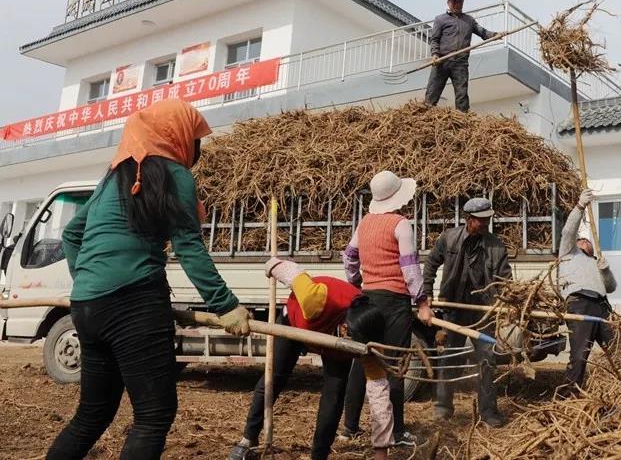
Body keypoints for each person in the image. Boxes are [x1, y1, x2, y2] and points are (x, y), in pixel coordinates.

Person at [47, 99, 251, 460]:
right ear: (177, 137)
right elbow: (189, 248)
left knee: (92, 415)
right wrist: (226, 305)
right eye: (194, 139)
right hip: (135, 303)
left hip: (86, 307)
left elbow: (71, 236)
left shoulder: (112, 176)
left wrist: (90, 282)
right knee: (154, 415)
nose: (195, 148)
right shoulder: (175, 175)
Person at [228, 258, 393, 460]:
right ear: (345, 328)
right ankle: (248, 439)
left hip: (334, 347)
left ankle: (319, 455)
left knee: (334, 395)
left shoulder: (367, 344)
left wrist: (381, 450)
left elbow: (380, 398)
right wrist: (271, 266)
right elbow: (292, 271)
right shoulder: (315, 300)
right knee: (274, 377)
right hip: (296, 324)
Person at [339, 170, 433, 447]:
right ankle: (398, 431)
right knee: (395, 365)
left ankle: (349, 428)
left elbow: (349, 256)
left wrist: (357, 280)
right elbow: (409, 267)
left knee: (361, 363)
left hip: (368, 299)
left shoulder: (364, 223)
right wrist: (423, 302)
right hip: (394, 303)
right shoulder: (401, 224)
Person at [422, 197, 511, 427]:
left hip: (483, 311)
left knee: (487, 360)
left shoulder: (497, 246)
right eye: (481, 220)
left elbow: (504, 279)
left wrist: (507, 299)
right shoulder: (449, 238)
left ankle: (488, 412)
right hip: (454, 308)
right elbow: (431, 264)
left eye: (488, 220)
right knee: (450, 357)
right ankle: (443, 408)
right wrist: (427, 292)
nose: (485, 224)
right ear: (468, 220)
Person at [557, 189, 617, 389]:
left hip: (602, 306)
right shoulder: (568, 253)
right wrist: (580, 206)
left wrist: (606, 270)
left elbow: (610, 288)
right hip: (579, 303)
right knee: (580, 354)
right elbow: (568, 231)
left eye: (587, 240)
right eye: (581, 240)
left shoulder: (595, 261)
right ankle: (570, 395)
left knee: (619, 350)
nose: (584, 241)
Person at [424, 0, 497, 112]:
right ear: (449, 3)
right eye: (455, 1)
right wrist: (435, 55)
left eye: (460, 1)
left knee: (462, 95)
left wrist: (495, 35)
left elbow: (482, 32)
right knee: (432, 92)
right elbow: (434, 39)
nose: (457, 4)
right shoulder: (440, 19)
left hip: (460, 63)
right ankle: (425, 116)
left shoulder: (469, 21)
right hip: (442, 61)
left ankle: (462, 120)